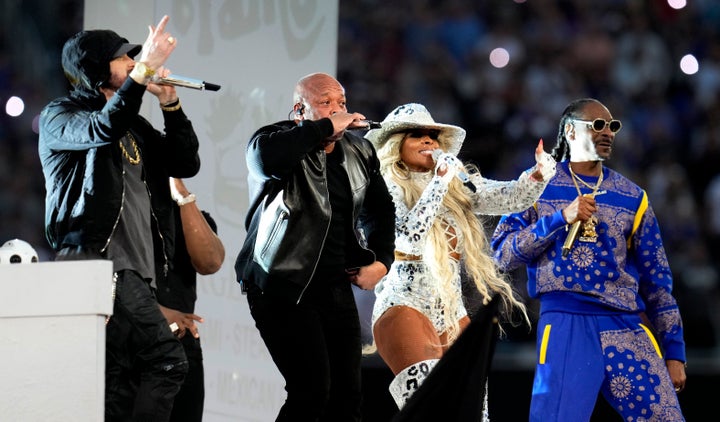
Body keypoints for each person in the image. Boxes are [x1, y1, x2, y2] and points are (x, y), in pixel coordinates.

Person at [38, 16, 201, 421]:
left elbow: (185, 162)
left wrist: (170, 103)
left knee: (119, 384)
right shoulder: (61, 115)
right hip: (96, 262)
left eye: (135, 55)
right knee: (167, 360)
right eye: (123, 57)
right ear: (95, 68)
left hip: (135, 273)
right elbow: (103, 127)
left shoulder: (136, 127)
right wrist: (144, 71)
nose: (132, 61)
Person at [491, 98, 687, 421]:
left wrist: (675, 350)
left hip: (626, 324)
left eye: (612, 126)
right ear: (569, 131)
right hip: (565, 323)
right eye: (597, 125)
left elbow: (658, 281)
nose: (608, 132)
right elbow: (500, 253)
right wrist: (559, 219)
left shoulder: (633, 196)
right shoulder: (536, 184)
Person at [364, 103, 556, 410]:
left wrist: (537, 176)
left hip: (452, 311)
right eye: (417, 134)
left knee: (473, 412)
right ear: (396, 145)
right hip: (404, 305)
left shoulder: (455, 184)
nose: (428, 141)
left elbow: (511, 198)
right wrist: (439, 182)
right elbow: (411, 240)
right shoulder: (385, 187)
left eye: (433, 135)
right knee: (429, 412)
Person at [234, 72, 396, 421]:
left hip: (334, 286)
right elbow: (267, 162)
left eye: (342, 103)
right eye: (325, 103)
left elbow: (381, 209)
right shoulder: (271, 140)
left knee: (347, 396)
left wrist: (382, 260)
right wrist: (324, 128)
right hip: (280, 284)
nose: (339, 110)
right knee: (310, 391)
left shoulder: (360, 150)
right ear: (299, 110)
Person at [157, 177, 225, 422]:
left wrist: (183, 194)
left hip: (183, 345)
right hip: (138, 343)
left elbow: (211, 262)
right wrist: (157, 313)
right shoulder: (124, 212)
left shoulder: (189, 213)